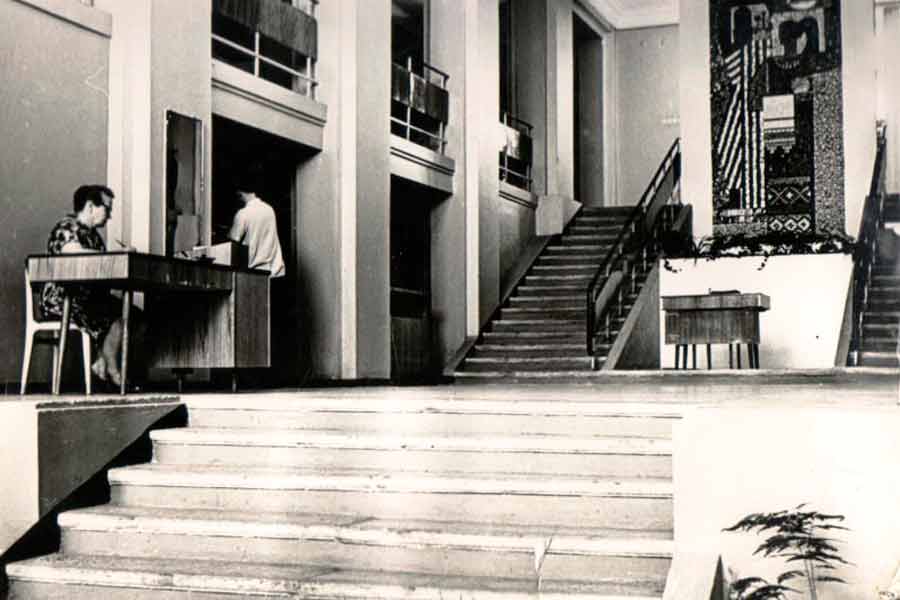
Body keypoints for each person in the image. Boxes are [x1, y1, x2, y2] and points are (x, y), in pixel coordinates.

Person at [40, 185, 138, 387]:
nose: (109, 215)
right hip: (63, 299)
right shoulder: (66, 227)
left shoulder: (93, 236)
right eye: (107, 208)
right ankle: (111, 370)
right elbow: (73, 252)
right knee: (116, 317)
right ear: (91, 206)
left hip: (85, 299)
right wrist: (115, 256)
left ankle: (102, 364)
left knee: (132, 315)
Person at [228, 170, 285, 278]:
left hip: (255, 274)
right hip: (274, 270)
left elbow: (233, 242)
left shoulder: (243, 214)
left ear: (239, 193)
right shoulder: (269, 209)